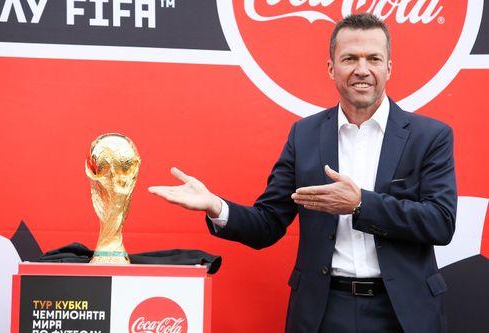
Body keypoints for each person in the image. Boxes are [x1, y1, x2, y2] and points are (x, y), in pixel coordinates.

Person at [148, 13, 457, 333]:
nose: (362, 69)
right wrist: (216, 206)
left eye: (373, 58)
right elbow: (268, 223)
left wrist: (361, 205)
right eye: (350, 58)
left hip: (404, 313)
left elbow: (441, 222)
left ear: (388, 67)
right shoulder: (305, 136)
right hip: (323, 311)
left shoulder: (429, 136)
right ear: (331, 67)